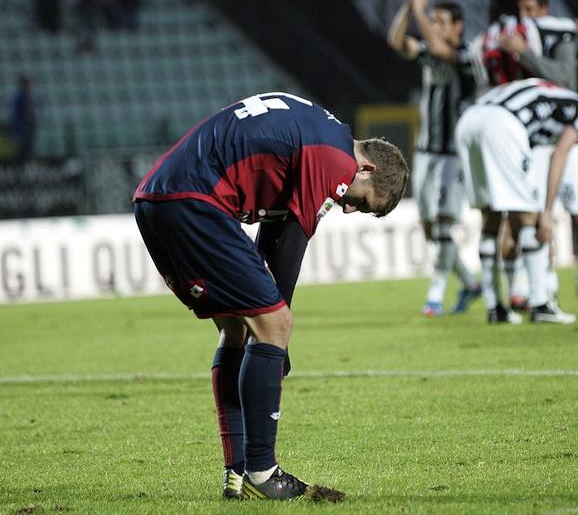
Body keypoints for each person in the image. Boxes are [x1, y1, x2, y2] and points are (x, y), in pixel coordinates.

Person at [133, 91, 409, 501]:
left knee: (236, 329)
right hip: (195, 201)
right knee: (274, 323)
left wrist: (271, 331)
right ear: (366, 166)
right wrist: (279, 336)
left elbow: (274, 240)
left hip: (157, 200)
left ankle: (238, 470)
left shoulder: (319, 131)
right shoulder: (333, 157)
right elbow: (292, 245)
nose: (349, 210)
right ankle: (264, 472)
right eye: (363, 203)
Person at [456, 78, 578, 324]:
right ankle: (541, 304)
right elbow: (560, 154)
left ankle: (495, 308)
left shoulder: (549, 104)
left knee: (490, 217)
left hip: (469, 120)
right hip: (501, 122)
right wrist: (547, 210)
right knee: (529, 217)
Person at [498, 0, 578, 311]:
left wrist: (525, 54)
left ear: (545, 11)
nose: (525, 17)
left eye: (531, 10)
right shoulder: (518, 42)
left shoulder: (560, 38)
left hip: (568, 141)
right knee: (544, 217)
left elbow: (566, 83)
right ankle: (548, 287)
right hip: (538, 145)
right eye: (521, 11)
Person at [387, 0, 483, 317]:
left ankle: (435, 295)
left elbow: (442, 50)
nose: (436, 26)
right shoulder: (430, 52)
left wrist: (421, 9)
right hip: (426, 153)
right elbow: (397, 42)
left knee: (443, 224)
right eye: (434, 21)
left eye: (442, 21)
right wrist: (410, 7)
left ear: (458, 26)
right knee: (430, 229)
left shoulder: (470, 55)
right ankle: (472, 283)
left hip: (454, 156)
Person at [9, 75, 37, 163]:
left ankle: (27, 163)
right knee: (22, 149)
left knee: (28, 149)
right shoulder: (20, 97)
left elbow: (33, 113)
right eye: (26, 83)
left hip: (29, 126)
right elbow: (16, 113)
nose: (28, 85)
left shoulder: (30, 97)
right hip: (22, 127)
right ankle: (22, 165)